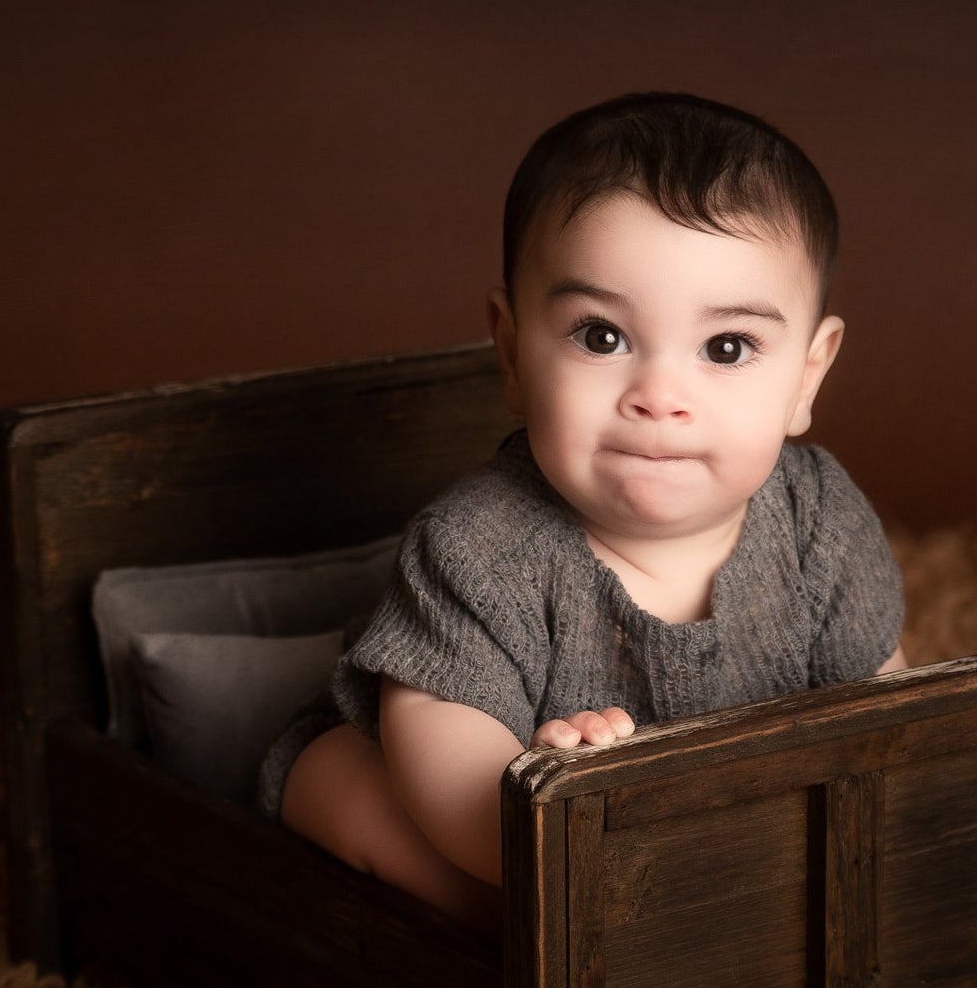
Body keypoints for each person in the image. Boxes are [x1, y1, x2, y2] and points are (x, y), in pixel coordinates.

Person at [262, 92, 905, 923]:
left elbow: (883, 704)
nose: (660, 396)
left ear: (806, 378)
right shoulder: (479, 548)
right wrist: (546, 803)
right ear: (512, 350)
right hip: (499, 818)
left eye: (727, 348)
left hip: (721, 848)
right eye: (601, 337)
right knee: (367, 797)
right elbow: (447, 767)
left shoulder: (818, 521)